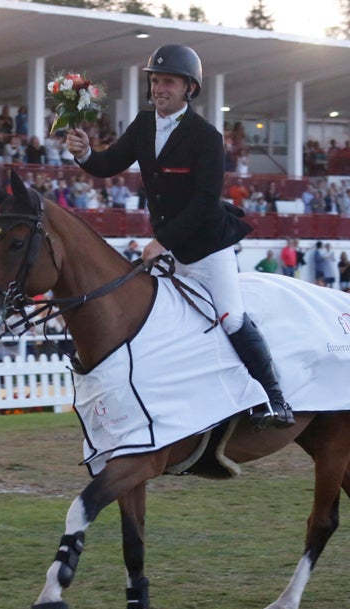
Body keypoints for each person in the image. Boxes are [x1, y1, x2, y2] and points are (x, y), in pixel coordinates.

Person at [65, 44, 291, 427]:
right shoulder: (142, 124)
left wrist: (163, 242)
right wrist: (86, 153)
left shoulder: (206, 136)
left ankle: (274, 399)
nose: (158, 88)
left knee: (230, 318)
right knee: (149, 316)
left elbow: (205, 202)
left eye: (167, 81)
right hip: (169, 247)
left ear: (189, 88)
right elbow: (107, 165)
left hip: (207, 248)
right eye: (154, 81)